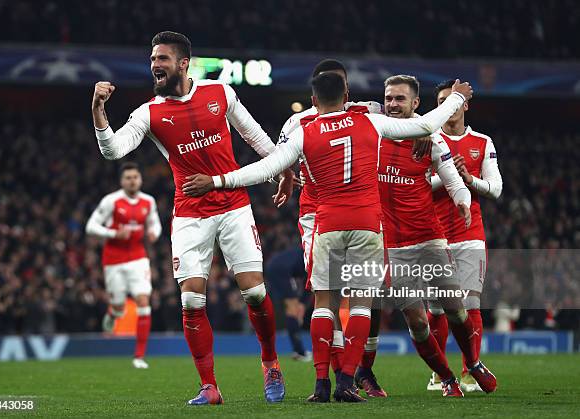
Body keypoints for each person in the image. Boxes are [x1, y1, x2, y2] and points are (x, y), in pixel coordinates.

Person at [182, 72, 474, 401]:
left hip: (327, 224)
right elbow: (422, 125)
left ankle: (322, 383)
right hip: (365, 224)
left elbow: (265, 168)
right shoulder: (369, 123)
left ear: (314, 101)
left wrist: (217, 181)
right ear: (347, 95)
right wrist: (457, 98)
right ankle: (347, 381)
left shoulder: (305, 132)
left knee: (324, 305)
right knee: (362, 305)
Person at [91, 31, 292, 404]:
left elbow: (254, 136)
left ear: (183, 63)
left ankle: (270, 363)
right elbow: (113, 150)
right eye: (153, 59)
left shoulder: (220, 92)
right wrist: (99, 112)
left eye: (162, 59)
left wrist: (282, 169)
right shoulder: (149, 112)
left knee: (255, 291)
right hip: (189, 214)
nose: (155, 65)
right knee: (191, 302)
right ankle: (209, 386)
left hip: (233, 206)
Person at [377, 75, 497, 396]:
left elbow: (454, 180)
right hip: (393, 246)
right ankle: (446, 378)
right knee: (417, 323)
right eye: (388, 98)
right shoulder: (373, 132)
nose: (392, 104)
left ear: (415, 104)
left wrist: (462, 200)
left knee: (456, 309)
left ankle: (471, 363)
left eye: (400, 99)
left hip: (429, 239)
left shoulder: (431, 139)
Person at [276, 59, 386, 397]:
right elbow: (280, 157)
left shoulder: (368, 113)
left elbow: (404, 127)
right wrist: (285, 174)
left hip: (357, 209)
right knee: (332, 296)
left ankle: (351, 374)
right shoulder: (296, 123)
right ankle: (339, 376)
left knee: (354, 298)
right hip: (316, 215)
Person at [428, 79, 503, 392]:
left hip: (470, 234)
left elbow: (495, 189)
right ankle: (439, 373)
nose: (449, 106)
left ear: (465, 105)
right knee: (436, 309)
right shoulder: (427, 140)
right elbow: (417, 186)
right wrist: (448, 176)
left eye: (454, 100)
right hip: (433, 236)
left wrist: (469, 178)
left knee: (470, 303)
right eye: (443, 100)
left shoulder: (482, 142)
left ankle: (470, 371)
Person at [85, 162, 162, 369]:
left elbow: (155, 222)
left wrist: (155, 232)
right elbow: (91, 226)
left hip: (138, 257)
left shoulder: (148, 201)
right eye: (128, 178)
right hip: (113, 260)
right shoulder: (111, 201)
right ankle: (113, 314)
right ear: (122, 181)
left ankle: (139, 356)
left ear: (140, 179)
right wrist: (112, 234)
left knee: (143, 302)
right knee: (119, 306)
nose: (132, 181)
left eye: (135, 177)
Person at [264, 247, 312, 362]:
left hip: (273, 267)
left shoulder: (307, 250)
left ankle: (297, 350)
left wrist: (302, 304)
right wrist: (302, 305)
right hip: (282, 270)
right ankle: (299, 351)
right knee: (292, 308)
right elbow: (310, 281)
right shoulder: (315, 259)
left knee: (290, 308)